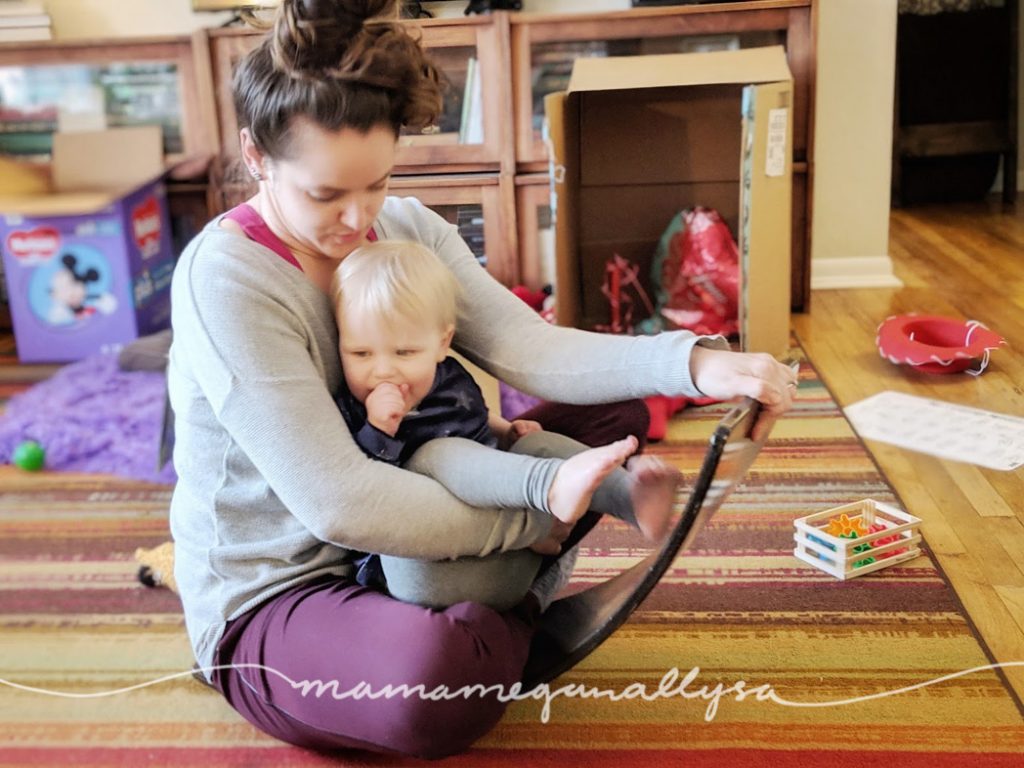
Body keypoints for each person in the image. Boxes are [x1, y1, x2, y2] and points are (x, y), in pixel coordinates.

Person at [167, 0, 799, 758]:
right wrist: (542, 517)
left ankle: (489, 608)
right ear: (257, 155)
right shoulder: (227, 278)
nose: (356, 218)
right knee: (435, 685)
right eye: (325, 194)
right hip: (288, 589)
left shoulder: (402, 227)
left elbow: (525, 345)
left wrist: (697, 363)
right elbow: (343, 504)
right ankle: (512, 606)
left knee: (619, 411)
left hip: (415, 531)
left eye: (375, 183)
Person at [330, 239, 684, 609]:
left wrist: (505, 430)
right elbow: (360, 494)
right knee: (438, 452)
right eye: (360, 353)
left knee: (535, 444)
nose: (382, 369)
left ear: (442, 343)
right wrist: (379, 431)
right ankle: (547, 496)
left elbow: (472, 417)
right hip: (428, 575)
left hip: (505, 560)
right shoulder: (353, 409)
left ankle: (631, 499)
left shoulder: (446, 376)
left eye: (404, 352)